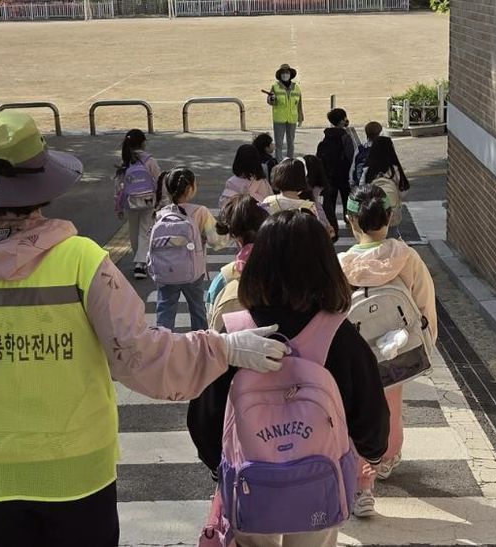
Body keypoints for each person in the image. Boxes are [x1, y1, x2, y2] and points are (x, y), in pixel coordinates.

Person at [0, 111, 289, 547]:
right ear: (41, 185)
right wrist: (224, 349)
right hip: (77, 462)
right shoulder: (81, 261)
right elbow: (139, 355)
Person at [187, 210, 389, 544]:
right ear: (325, 266)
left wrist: (217, 465)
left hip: (250, 478)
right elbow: (369, 406)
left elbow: (204, 413)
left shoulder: (237, 332)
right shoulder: (336, 333)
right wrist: (373, 452)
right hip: (320, 477)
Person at [338, 185, 437, 517]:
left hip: (355, 358)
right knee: (391, 407)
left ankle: (362, 486)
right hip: (397, 349)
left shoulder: (341, 265)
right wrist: (424, 344)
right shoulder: (407, 258)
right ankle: (387, 458)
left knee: (356, 415)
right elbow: (424, 304)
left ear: (350, 220)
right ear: (390, 217)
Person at [152, 167, 229, 331]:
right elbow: (217, 242)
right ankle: (200, 341)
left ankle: (162, 342)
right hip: (193, 272)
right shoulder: (201, 212)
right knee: (197, 310)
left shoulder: (161, 214)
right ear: (189, 189)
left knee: (164, 311)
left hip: (166, 271)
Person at [206, 194, 269, 332]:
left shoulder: (224, 278)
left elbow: (212, 319)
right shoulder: (283, 268)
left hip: (233, 342)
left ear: (235, 236)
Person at [114, 128, 162, 280]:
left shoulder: (126, 161)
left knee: (133, 231)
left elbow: (119, 186)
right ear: (143, 143)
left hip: (130, 202)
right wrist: (162, 200)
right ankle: (140, 263)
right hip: (148, 201)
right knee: (145, 230)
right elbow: (159, 179)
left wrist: (118, 206)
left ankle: (138, 261)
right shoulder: (149, 161)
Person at [316, 108, 355, 240]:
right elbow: (351, 156)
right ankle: (348, 221)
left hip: (329, 176)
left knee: (330, 201)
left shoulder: (326, 137)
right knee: (346, 199)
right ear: (343, 120)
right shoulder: (345, 137)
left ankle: (330, 224)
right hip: (344, 174)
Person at [267, 63, 304, 161]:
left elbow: (299, 104)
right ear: (280, 75)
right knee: (279, 143)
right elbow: (270, 101)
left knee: (291, 143)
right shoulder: (275, 86)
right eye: (283, 73)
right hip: (279, 119)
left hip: (292, 119)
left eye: (287, 72)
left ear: (290, 74)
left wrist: (300, 118)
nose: (285, 74)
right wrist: (272, 98)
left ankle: (290, 162)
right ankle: (279, 162)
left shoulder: (296, 87)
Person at [218, 144, 273, 209]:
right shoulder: (261, 182)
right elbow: (268, 205)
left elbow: (223, 205)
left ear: (237, 161)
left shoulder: (230, 182)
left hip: (236, 214)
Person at [301, 154, 335, 238]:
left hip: (305, 228)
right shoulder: (323, 188)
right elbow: (327, 210)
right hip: (323, 228)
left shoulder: (300, 189)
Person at [350, 121, 382, 186]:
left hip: (360, 186)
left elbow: (353, 167)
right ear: (379, 134)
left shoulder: (360, 148)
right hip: (377, 186)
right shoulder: (383, 148)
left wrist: (351, 182)